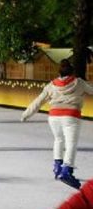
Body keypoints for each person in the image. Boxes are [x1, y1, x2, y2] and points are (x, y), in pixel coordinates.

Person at [21, 59, 93, 189]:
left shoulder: (51, 85)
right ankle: (66, 170)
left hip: (54, 117)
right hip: (71, 116)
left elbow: (39, 100)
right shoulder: (79, 83)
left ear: (59, 72)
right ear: (72, 72)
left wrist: (26, 114)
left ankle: (57, 167)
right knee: (71, 143)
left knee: (58, 140)